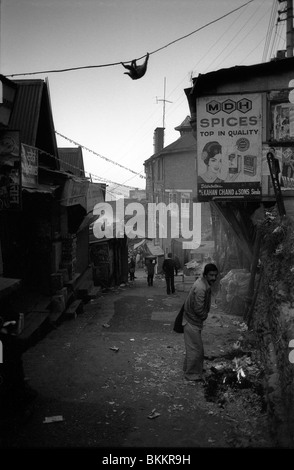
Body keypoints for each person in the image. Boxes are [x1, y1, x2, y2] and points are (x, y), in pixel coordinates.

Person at [182, 263, 218, 383]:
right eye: (211, 275)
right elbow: (198, 309)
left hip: (192, 320)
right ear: (205, 275)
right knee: (196, 349)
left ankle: (190, 369)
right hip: (192, 321)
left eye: (215, 275)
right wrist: (204, 316)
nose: (213, 278)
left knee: (193, 347)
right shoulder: (201, 288)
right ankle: (191, 374)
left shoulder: (203, 283)